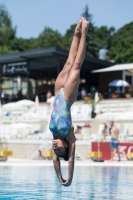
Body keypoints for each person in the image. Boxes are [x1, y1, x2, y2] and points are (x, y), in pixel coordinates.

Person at [49, 18, 89, 186]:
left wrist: (58, 177)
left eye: (55, 150)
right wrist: (68, 178)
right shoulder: (69, 135)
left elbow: (55, 161)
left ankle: (76, 32)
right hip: (66, 98)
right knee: (76, 65)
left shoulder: (53, 134)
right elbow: (70, 158)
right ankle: (85, 31)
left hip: (58, 92)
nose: (55, 147)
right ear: (66, 145)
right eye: (59, 149)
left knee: (67, 63)